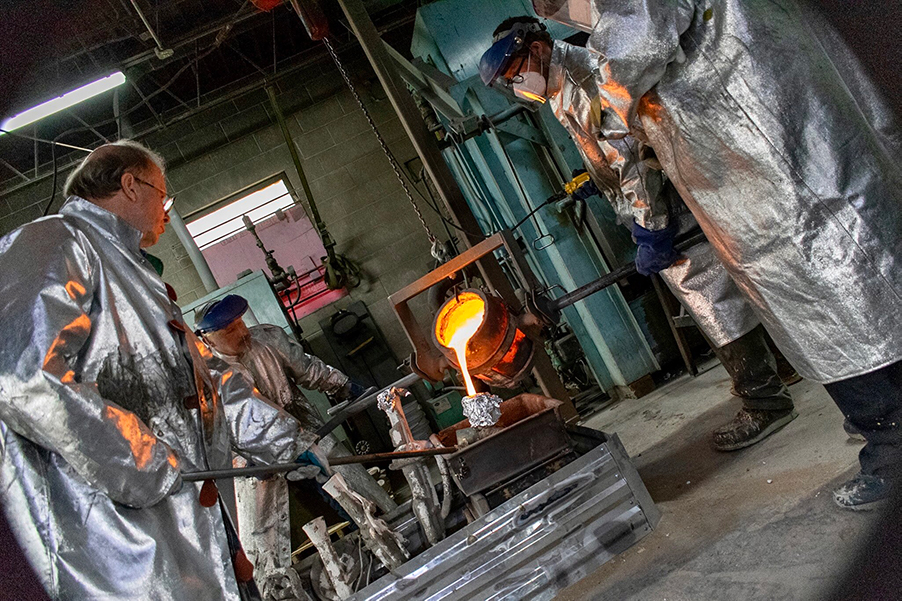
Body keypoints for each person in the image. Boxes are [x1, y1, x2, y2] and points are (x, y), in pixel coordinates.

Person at [523, 0, 902, 509]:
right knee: (856, 296)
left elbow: (630, 79)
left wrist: (649, 222)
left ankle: (889, 445)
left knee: (834, 311)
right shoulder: (564, 90)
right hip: (777, 160)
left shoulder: (606, 51)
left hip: (772, 175)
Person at [0, 140, 322, 600]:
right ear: (130, 185)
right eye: (162, 195)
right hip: (117, 549)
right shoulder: (59, 240)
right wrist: (148, 461)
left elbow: (206, 383)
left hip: (182, 529)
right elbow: (22, 376)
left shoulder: (134, 275)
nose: (167, 211)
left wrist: (287, 440)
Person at [479, 18, 796, 452]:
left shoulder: (587, 76)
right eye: (509, 80)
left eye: (517, 70)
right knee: (727, 290)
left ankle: (766, 402)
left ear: (537, 48)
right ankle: (780, 370)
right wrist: (596, 176)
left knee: (711, 299)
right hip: (659, 197)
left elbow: (633, 159)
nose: (517, 82)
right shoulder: (559, 85)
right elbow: (608, 151)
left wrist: (652, 229)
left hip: (669, 199)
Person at [195, 295, 397, 597]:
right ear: (208, 340)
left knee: (346, 479)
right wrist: (244, 459)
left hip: (300, 429)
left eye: (240, 324)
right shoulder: (206, 375)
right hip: (251, 458)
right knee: (260, 531)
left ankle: (387, 527)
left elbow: (307, 369)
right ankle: (272, 586)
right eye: (230, 331)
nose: (242, 333)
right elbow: (211, 430)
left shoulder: (266, 339)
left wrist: (344, 385)